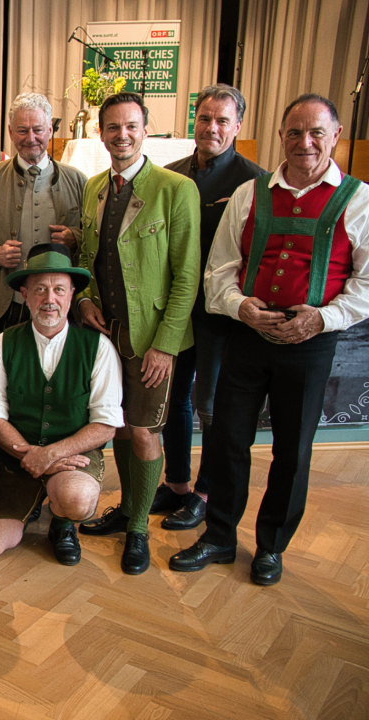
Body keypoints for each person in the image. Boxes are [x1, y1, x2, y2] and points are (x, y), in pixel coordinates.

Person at [170, 93, 369, 586]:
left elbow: (366, 284)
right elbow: (219, 270)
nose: (305, 142)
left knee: (293, 450)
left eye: (316, 132)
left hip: (311, 343)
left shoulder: (359, 200)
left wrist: (322, 319)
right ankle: (219, 537)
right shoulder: (250, 194)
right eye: (295, 132)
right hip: (247, 336)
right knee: (229, 440)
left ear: (335, 136)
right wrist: (240, 306)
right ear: (281, 136)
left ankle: (271, 546)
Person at [75, 92, 200, 575]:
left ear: (146, 131)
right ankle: (127, 508)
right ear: (101, 133)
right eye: (113, 127)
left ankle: (140, 529)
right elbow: (88, 257)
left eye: (131, 126)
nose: (122, 135)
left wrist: (166, 346)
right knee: (120, 426)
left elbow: (187, 276)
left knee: (145, 431)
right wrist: (85, 300)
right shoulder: (94, 187)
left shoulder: (175, 189)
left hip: (151, 338)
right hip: (105, 336)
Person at [154, 85, 265, 530]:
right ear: (193, 122)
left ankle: (205, 492)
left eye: (222, 120)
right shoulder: (171, 175)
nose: (211, 128)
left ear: (237, 126)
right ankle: (177, 483)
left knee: (212, 405)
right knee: (174, 398)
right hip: (178, 308)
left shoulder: (254, 182)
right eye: (204, 118)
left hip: (223, 313)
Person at [0, 244, 122, 564]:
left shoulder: (98, 347)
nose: (49, 299)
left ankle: (62, 523)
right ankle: (30, 500)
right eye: (40, 289)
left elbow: (106, 425)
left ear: (71, 294)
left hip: (73, 455)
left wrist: (51, 454)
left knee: (76, 499)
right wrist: (31, 456)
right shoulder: (3, 343)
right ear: (25, 295)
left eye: (59, 289)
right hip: (16, 454)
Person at [0, 93, 87, 339]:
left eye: (38, 130)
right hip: (6, 306)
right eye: (22, 130)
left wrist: (75, 238)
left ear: (50, 130)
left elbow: (93, 242)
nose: (31, 138)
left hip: (61, 307)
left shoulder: (78, 181)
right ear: (10, 132)